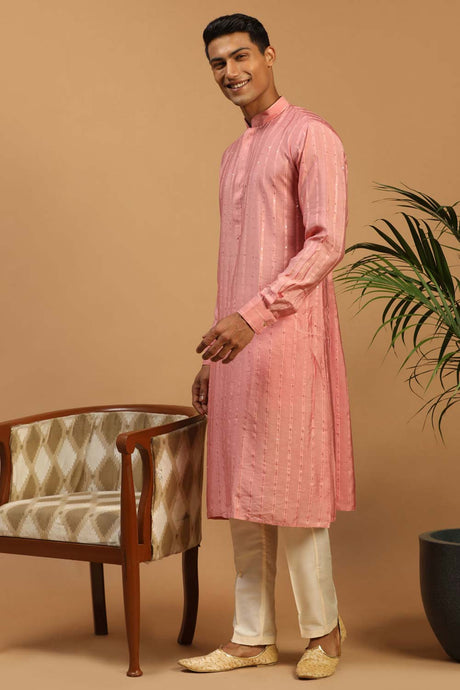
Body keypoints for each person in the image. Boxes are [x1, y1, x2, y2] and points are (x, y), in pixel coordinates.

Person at [178, 13, 356, 679]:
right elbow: (233, 263)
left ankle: (324, 632)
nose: (230, 72)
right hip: (238, 347)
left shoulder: (311, 136)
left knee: (294, 489)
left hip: (287, 340)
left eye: (241, 56)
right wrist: (213, 354)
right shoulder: (234, 154)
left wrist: (253, 318)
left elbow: (326, 243)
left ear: (269, 54)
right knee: (244, 494)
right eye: (218, 63)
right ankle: (252, 637)